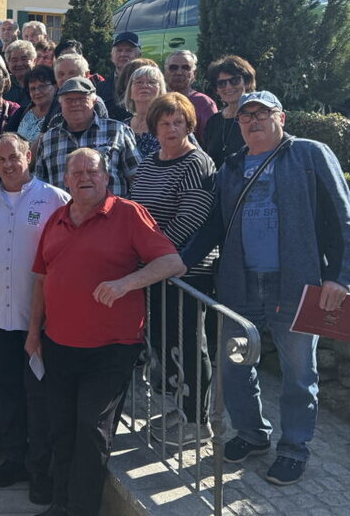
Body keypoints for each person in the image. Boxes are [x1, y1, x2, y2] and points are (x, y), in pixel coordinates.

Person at [181, 91, 350, 486]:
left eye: (262, 113)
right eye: (245, 116)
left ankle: (293, 448)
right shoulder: (232, 167)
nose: (253, 120)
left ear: (281, 117)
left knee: (299, 374)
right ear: (237, 124)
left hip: (295, 285)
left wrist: (340, 277)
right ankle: (253, 435)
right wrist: (181, 260)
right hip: (241, 287)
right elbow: (214, 225)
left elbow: (343, 219)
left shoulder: (309, 154)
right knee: (236, 367)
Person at [28, 148, 186, 516]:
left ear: (106, 177)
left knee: (90, 427)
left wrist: (126, 283)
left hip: (110, 348)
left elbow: (172, 261)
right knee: (62, 427)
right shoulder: (55, 219)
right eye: (77, 171)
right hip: (58, 344)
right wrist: (33, 332)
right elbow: (40, 281)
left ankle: (82, 509)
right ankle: (62, 504)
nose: (85, 176)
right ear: (65, 180)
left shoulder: (127, 214)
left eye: (93, 170)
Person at [0, 133, 69, 505]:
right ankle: (14, 459)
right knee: (5, 393)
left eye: (13, 157)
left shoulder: (53, 199)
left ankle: (41, 471)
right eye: (0, 159)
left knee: (39, 397)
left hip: (39, 320)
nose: (7, 165)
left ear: (28, 156)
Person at [127, 93, 217, 448]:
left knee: (189, 344)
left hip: (185, 271)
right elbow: (137, 210)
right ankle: (182, 409)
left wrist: (152, 253)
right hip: (154, 268)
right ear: (154, 127)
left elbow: (192, 219)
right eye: (164, 122)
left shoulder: (197, 163)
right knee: (165, 342)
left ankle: (198, 420)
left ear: (189, 125)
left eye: (178, 122)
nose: (171, 128)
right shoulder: (150, 161)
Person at [34, 77, 140, 197]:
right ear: (60, 104)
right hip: (64, 214)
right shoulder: (48, 139)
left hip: (111, 213)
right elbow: (40, 186)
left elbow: (137, 179)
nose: (75, 104)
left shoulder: (118, 131)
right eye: (68, 100)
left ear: (94, 101)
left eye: (81, 99)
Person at [201, 55, 255, 167]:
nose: (228, 87)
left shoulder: (256, 118)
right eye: (221, 83)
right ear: (216, 90)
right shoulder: (213, 122)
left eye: (234, 80)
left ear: (246, 82)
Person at [165, 50, 218, 143]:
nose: (179, 72)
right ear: (165, 72)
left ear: (194, 74)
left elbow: (212, 142)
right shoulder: (157, 102)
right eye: (173, 67)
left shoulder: (204, 103)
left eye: (186, 68)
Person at [120, 64, 169, 156]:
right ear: (130, 92)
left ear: (160, 90)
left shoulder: (171, 124)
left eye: (152, 82)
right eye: (138, 82)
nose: (145, 86)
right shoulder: (121, 128)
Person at [4, 65, 58, 145]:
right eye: (32, 89)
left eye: (42, 86)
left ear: (55, 86)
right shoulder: (21, 113)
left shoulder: (60, 115)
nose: (37, 92)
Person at [100, 32, 141, 120]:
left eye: (128, 50)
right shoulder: (100, 88)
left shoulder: (147, 86)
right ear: (111, 56)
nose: (123, 54)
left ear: (138, 55)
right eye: (119, 50)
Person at [3, 40, 35, 107]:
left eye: (24, 59)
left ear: (33, 60)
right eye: (14, 60)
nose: (20, 64)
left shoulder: (42, 84)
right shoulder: (3, 85)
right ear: (8, 64)